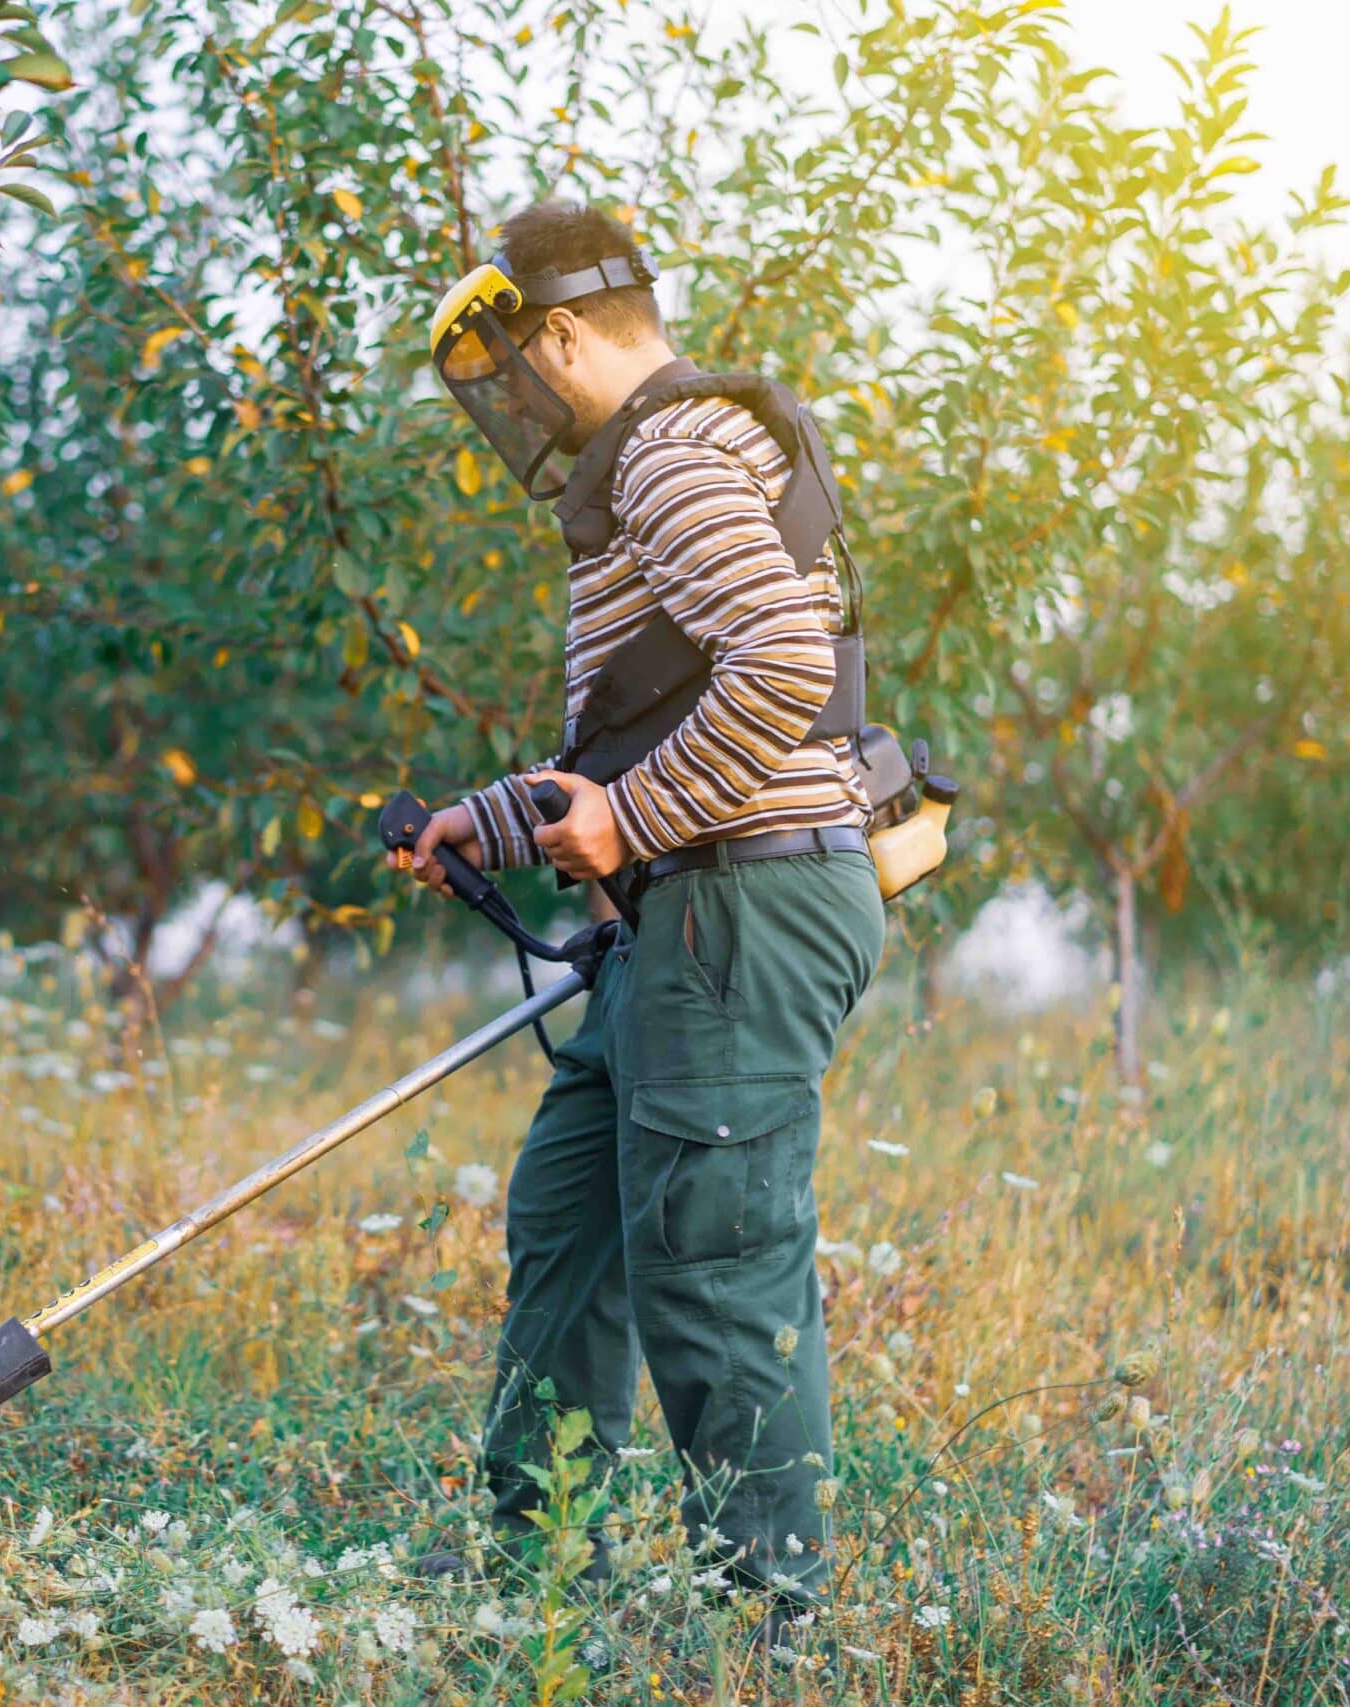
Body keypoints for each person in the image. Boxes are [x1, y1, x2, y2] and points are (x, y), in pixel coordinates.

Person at [397, 201, 886, 1637]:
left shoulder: (673, 450)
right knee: (571, 1234)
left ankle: (771, 1635)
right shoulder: (655, 464)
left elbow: (784, 662)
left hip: (741, 907)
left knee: (716, 1273)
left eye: (510, 367)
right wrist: (487, 822)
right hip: (671, 920)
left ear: (557, 333)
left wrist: (634, 823)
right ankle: (535, 1577)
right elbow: (638, 730)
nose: (510, 403)